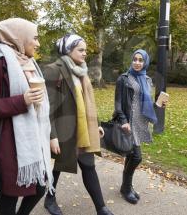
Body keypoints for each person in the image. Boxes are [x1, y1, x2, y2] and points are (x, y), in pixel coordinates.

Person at [0, 18, 54, 215]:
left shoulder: (31, 65)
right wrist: (22, 101)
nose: (38, 43)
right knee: (10, 196)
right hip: (7, 145)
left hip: (32, 142)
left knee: (40, 188)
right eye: (34, 38)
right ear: (19, 38)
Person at [42, 34, 113, 215]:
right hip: (63, 130)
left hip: (82, 130)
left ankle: (101, 208)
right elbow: (47, 107)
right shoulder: (53, 70)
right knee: (58, 166)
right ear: (68, 50)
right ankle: (50, 199)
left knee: (88, 166)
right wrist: (52, 136)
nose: (85, 53)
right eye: (80, 50)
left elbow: (86, 101)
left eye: (85, 50)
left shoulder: (82, 70)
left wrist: (94, 124)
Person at [113, 49, 166, 204]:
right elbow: (117, 104)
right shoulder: (123, 79)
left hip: (140, 122)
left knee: (131, 156)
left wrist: (159, 105)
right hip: (129, 122)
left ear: (145, 62)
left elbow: (146, 104)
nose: (137, 62)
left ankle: (126, 187)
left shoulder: (147, 80)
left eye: (140, 60)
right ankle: (125, 187)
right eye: (135, 59)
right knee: (137, 157)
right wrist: (123, 121)